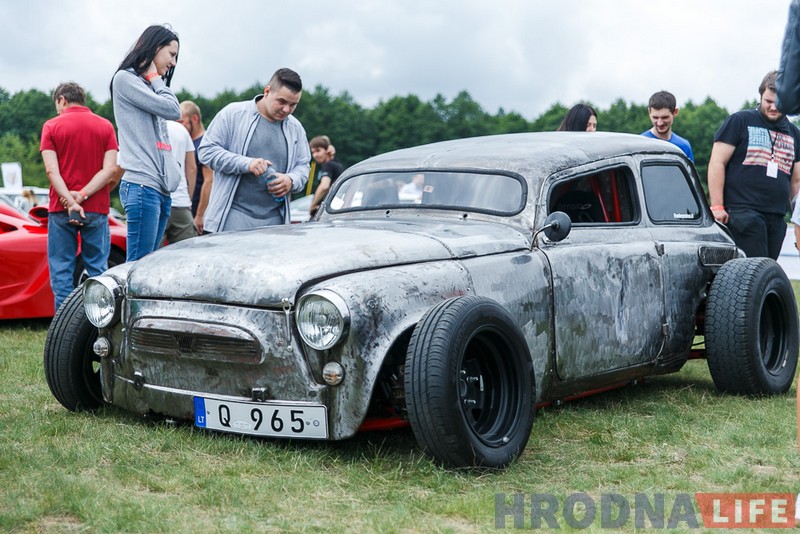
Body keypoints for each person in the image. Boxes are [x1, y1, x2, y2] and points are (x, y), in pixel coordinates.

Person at [198, 68, 310, 233]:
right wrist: (246, 163)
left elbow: (303, 165)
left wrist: (291, 180)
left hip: (275, 225)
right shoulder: (233, 114)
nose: (287, 110)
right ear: (267, 91)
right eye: (282, 101)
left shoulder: (296, 128)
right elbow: (206, 151)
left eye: (293, 105)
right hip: (230, 218)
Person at [39, 82, 118, 310]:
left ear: (62, 99)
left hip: (60, 209)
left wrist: (70, 201)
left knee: (61, 270)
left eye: (57, 104)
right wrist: (82, 196)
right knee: (98, 271)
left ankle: (65, 333)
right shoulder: (105, 126)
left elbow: (51, 170)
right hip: (96, 208)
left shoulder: (51, 126)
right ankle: (99, 328)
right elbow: (110, 169)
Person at [707, 70, 800, 260]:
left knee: (766, 272)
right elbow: (717, 162)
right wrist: (717, 206)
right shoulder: (740, 121)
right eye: (768, 101)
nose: (773, 107)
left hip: (776, 216)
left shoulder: (794, 133)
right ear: (761, 96)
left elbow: (796, 181)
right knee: (753, 273)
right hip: (743, 213)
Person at [111, 24, 181, 261]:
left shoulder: (150, 87)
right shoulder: (125, 79)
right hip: (142, 186)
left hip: (160, 188)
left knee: (148, 265)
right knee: (137, 267)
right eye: (171, 54)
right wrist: (155, 79)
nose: (173, 63)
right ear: (155, 47)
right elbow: (173, 109)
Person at [178, 100, 214, 233]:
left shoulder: (206, 143)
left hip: (200, 214)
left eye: (182, 122)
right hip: (186, 209)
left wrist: (200, 215)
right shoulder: (186, 143)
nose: (179, 126)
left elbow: (209, 181)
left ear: (194, 118)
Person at [163, 120, 197, 243]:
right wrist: (188, 198)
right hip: (181, 203)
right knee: (187, 255)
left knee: (152, 257)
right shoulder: (181, 129)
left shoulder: (147, 126)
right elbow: (192, 168)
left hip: (156, 202)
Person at [641, 91, 694, 161]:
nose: (659, 123)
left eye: (664, 117)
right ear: (649, 112)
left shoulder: (684, 146)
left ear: (675, 112)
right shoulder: (640, 143)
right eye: (655, 118)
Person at [308, 135, 344, 217]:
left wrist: (312, 205)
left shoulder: (328, 166)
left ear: (327, 150)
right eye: (313, 152)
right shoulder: (337, 164)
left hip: (327, 211)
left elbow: (324, 186)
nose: (315, 155)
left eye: (318, 151)